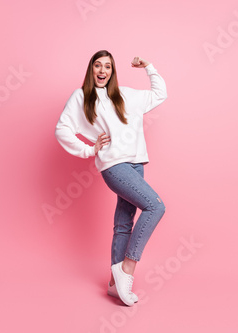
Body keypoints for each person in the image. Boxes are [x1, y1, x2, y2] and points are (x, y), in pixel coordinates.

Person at [54, 50, 167, 306]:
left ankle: (115, 285)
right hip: (115, 166)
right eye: (98, 66)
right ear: (91, 69)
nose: (102, 70)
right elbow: (62, 129)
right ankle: (126, 269)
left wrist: (148, 66)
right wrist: (88, 149)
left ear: (113, 71)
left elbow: (160, 93)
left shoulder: (126, 95)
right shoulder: (82, 96)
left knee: (123, 223)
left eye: (107, 66)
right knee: (155, 206)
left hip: (137, 164)